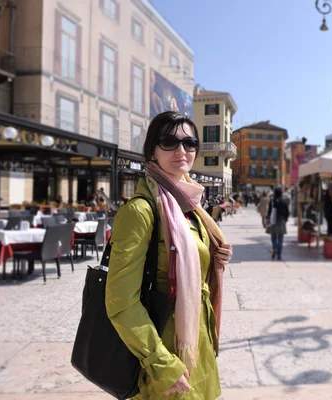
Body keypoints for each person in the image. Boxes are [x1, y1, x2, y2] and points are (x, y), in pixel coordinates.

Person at [105, 112, 233, 400]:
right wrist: (162, 363)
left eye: (190, 143)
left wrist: (214, 259)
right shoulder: (140, 211)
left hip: (197, 342)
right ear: (152, 149)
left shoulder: (191, 207)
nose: (181, 150)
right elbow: (121, 301)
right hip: (163, 353)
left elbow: (191, 265)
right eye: (169, 142)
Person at [266, 187, 289, 260]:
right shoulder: (284, 201)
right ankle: (279, 254)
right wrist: (286, 219)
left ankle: (274, 248)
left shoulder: (272, 200)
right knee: (280, 238)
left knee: (273, 236)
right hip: (281, 221)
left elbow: (269, 211)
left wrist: (267, 219)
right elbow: (287, 212)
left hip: (273, 220)